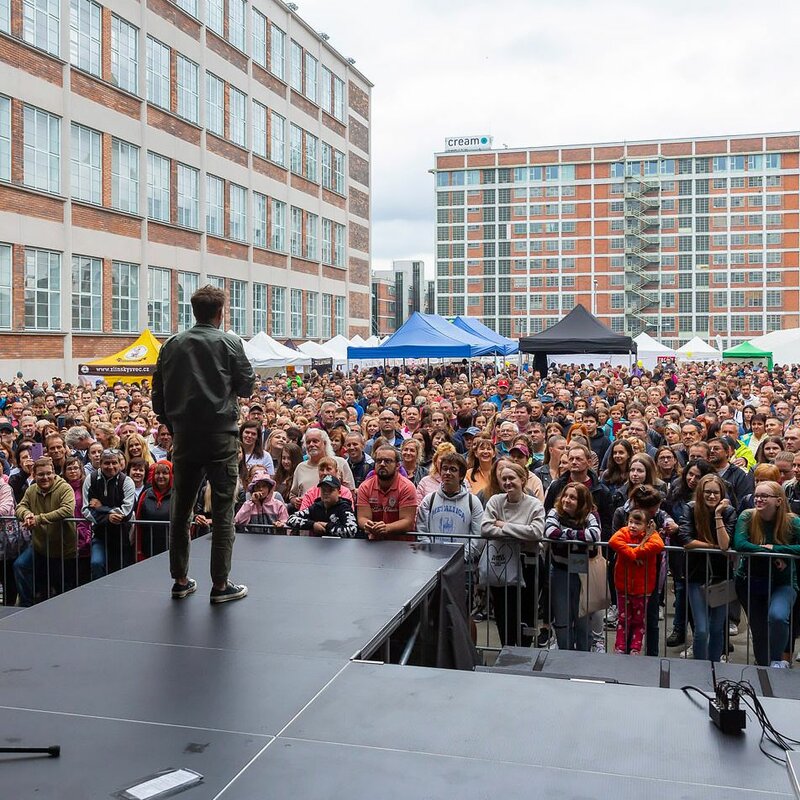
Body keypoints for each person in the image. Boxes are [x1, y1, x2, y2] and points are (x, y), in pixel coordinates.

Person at [152, 284, 255, 604]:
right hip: (221, 436)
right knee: (223, 511)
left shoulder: (171, 345)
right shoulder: (230, 342)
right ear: (220, 312)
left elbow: (158, 396)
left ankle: (180, 580)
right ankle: (220, 585)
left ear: (193, 310)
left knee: (180, 509)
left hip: (184, 437)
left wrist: (174, 425)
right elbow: (247, 386)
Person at [734, 481, 800, 667]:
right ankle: (762, 668)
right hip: (750, 581)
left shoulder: (792, 521)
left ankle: (777, 661)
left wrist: (777, 549)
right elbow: (740, 544)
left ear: (778, 500)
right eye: (756, 495)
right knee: (759, 631)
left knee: (778, 617)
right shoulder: (747, 516)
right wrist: (770, 555)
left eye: (764, 496)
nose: (759, 499)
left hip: (783, 582)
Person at [479, 461, 545, 647]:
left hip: (528, 565)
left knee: (527, 609)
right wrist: (519, 533)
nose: (507, 482)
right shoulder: (495, 501)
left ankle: (523, 649)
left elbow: (536, 532)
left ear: (522, 479)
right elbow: (485, 528)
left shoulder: (534, 505)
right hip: (502, 563)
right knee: (502, 609)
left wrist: (503, 525)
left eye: (512, 478)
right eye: (504, 479)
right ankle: (506, 648)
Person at [675, 474, 735, 663]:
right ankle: (699, 669)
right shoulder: (690, 509)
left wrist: (718, 515)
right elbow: (686, 540)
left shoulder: (729, 512)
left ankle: (715, 666)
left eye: (716, 493)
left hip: (722, 577)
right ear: (700, 493)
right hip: (696, 575)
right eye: (707, 492)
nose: (711, 496)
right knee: (701, 629)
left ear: (722, 494)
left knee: (717, 628)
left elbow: (725, 544)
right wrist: (713, 547)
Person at [544, 482, 601, 651]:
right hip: (560, 571)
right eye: (565, 496)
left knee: (583, 618)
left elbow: (594, 534)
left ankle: (583, 656)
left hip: (584, 573)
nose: (567, 500)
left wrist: (565, 534)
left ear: (582, 502)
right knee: (562, 619)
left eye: (573, 497)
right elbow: (549, 532)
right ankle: (564, 653)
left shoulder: (591, 515)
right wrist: (577, 537)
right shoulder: (555, 512)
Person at [14, 457, 77, 606]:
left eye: (48, 473)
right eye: (41, 474)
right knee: (20, 565)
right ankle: (26, 605)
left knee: (62, 589)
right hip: (40, 546)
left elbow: (67, 510)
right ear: (34, 475)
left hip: (63, 549)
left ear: (54, 473)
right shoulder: (32, 489)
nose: (45, 477)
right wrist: (27, 515)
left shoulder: (64, 488)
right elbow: (20, 507)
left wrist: (39, 519)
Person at [609, 508, 665, 655]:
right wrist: (633, 555)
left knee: (638, 621)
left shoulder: (652, 535)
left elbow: (658, 545)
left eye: (638, 523)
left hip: (643, 588)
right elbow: (613, 540)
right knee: (623, 619)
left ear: (646, 525)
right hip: (623, 586)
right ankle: (620, 647)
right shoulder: (624, 532)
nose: (633, 526)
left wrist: (637, 551)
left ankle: (635, 647)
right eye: (631, 522)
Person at [83, 448, 136, 579]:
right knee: (96, 563)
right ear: (100, 463)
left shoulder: (127, 482)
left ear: (120, 464)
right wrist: (109, 516)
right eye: (107, 463)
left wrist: (101, 508)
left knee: (120, 571)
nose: (110, 466)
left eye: (114, 463)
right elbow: (86, 509)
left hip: (121, 536)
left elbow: (125, 512)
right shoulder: (91, 479)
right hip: (100, 535)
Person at [416, 452, 483, 548]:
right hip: (433, 559)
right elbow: (421, 531)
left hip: (463, 560)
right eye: (444, 468)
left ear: (461, 475)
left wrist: (462, 557)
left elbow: (477, 537)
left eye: (453, 469)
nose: (447, 473)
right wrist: (430, 552)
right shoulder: (429, 500)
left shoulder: (473, 502)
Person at [356, 445, 418, 541]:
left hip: (402, 545)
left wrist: (386, 528)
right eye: (378, 461)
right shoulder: (365, 487)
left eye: (387, 461)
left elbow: (408, 522)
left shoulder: (407, 487)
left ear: (398, 466)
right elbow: (362, 518)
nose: (382, 464)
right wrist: (369, 525)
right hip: (374, 543)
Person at [287, 475, 360, 538]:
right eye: (323, 490)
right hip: (318, 547)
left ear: (339, 493)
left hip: (340, 547)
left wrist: (327, 526)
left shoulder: (345, 508)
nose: (326, 493)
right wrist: (313, 525)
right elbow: (291, 519)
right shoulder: (316, 507)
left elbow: (352, 530)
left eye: (330, 490)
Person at [134, 460, 174, 560]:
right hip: (148, 550)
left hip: (171, 551)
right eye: (157, 473)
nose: (160, 476)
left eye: (165, 473)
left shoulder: (178, 496)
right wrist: (138, 550)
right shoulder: (145, 494)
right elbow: (138, 524)